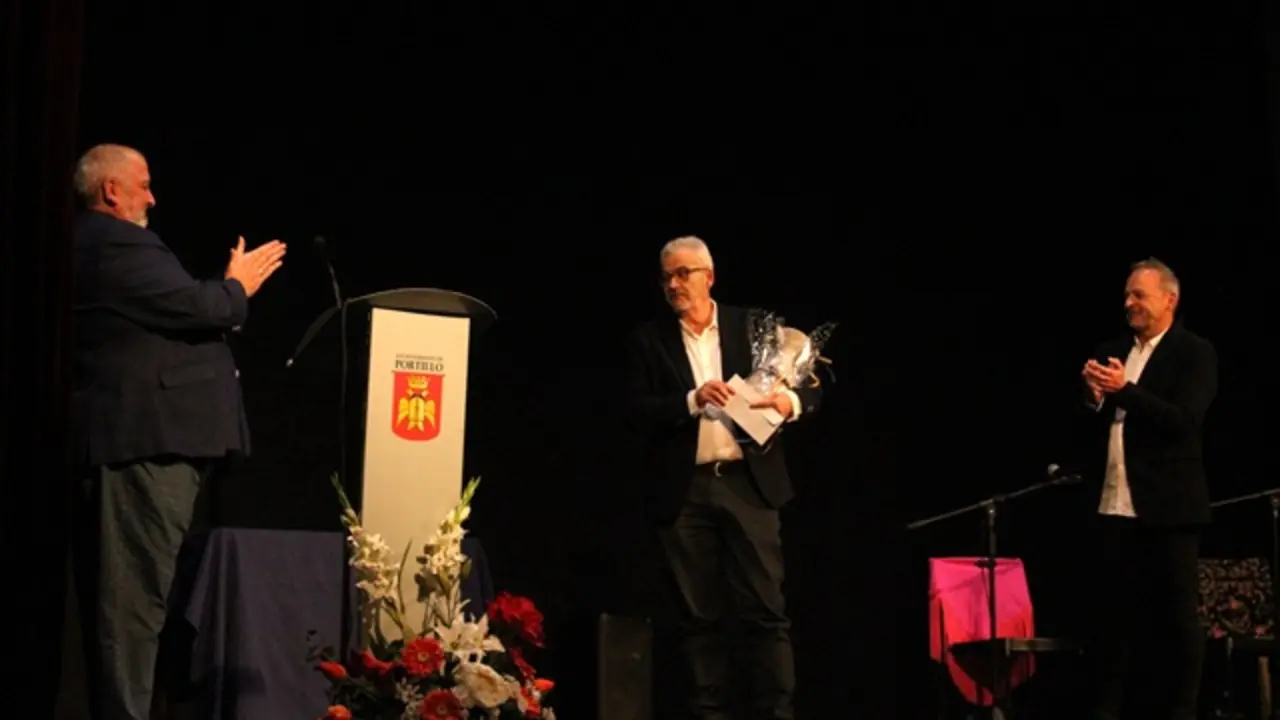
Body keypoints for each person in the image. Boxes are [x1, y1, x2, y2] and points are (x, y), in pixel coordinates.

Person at [70, 143, 286, 719]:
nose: (153, 196)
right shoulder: (109, 239)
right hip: (145, 441)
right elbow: (195, 305)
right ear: (111, 190)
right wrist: (235, 287)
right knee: (133, 606)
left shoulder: (113, 243)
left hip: (160, 441)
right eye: (143, 184)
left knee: (143, 603)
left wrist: (224, 296)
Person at [623, 235, 822, 719]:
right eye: (666, 276)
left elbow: (813, 385)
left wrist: (789, 403)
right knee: (699, 620)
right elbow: (633, 411)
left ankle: (777, 714)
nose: (674, 284)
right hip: (686, 492)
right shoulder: (649, 339)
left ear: (708, 276)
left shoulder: (751, 325)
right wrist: (693, 399)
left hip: (748, 486)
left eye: (683, 273)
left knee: (765, 614)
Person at [1080, 257, 1218, 719]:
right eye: (1127, 294)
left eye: (1139, 294)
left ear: (1169, 300)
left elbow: (1183, 422)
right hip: (1115, 506)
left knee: (1177, 626)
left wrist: (1124, 391)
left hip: (1169, 510)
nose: (1129, 303)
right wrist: (1093, 397)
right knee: (1112, 627)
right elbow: (1093, 428)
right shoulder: (1114, 350)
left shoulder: (1194, 352)